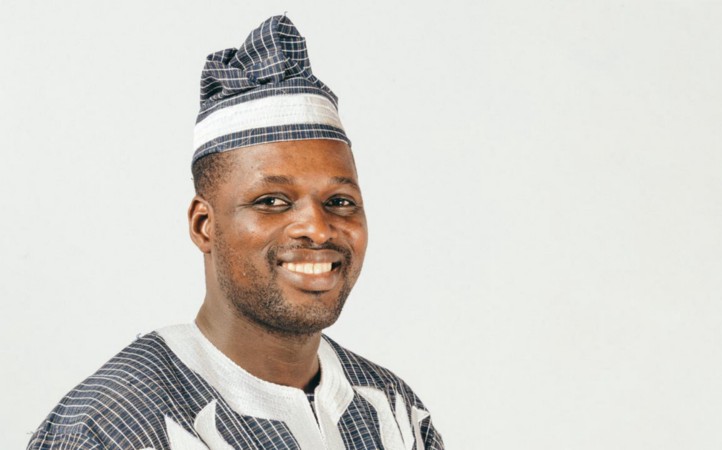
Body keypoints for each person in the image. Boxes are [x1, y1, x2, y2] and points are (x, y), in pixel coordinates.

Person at [28, 15, 444, 450]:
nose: (318, 229)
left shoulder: (393, 412)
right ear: (203, 225)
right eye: (272, 201)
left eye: (340, 201)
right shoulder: (114, 425)